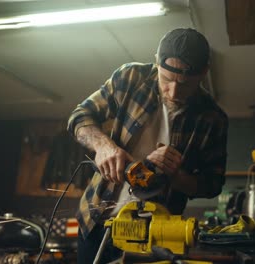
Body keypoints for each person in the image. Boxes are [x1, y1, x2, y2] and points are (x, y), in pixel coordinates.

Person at [67, 28, 228, 263]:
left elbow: (212, 185)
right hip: (98, 221)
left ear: (204, 72)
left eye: (184, 85)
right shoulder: (131, 77)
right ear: (156, 62)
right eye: (167, 80)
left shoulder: (213, 119)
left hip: (157, 236)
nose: (173, 92)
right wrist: (104, 146)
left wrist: (177, 176)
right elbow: (79, 116)